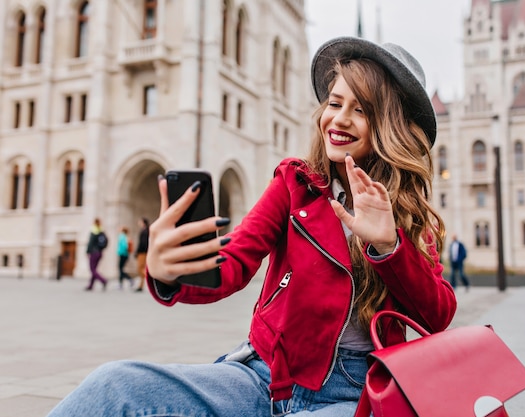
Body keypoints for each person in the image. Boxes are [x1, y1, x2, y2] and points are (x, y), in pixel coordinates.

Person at [46, 36, 457, 417]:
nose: (340, 119)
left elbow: (437, 315)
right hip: (263, 377)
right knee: (114, 386)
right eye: (334, 103)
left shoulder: (406, 215)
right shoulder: (295, 184)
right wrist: (171, 272)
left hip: (353, 392)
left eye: (361, 110)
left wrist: (389, 246)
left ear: (390, 126)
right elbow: (233, 261)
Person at [85, 218, 108, 291]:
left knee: (92, 270)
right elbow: (106, 242)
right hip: (99, 253)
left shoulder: (94, 230)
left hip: (93, 252)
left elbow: (90, 243)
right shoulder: (102, 231)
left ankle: (103, 280)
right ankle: (90, 285)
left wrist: (88, 251)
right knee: (94, 269)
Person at [134, 217, 150, 292]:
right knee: (141, 268)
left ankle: (149, 279)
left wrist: (138, 251)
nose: (139, 223)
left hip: (142, 252)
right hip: (144, 252)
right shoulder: (146, 231)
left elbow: (143, 243)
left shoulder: (144, 231)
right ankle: (141, 285)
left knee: (140, 268)